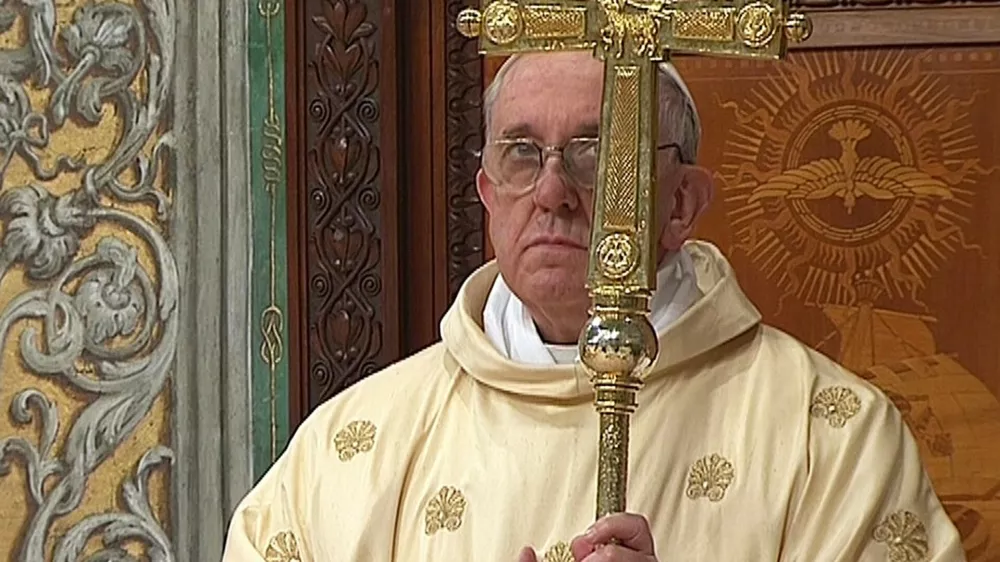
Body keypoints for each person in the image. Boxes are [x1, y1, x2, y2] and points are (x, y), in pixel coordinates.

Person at [222, 52, 966, 561]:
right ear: (487, 197)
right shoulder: (356, 448)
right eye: (521, 152)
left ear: (682, 203)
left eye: (596, 151)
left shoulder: (828, 438)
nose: (553, 192)